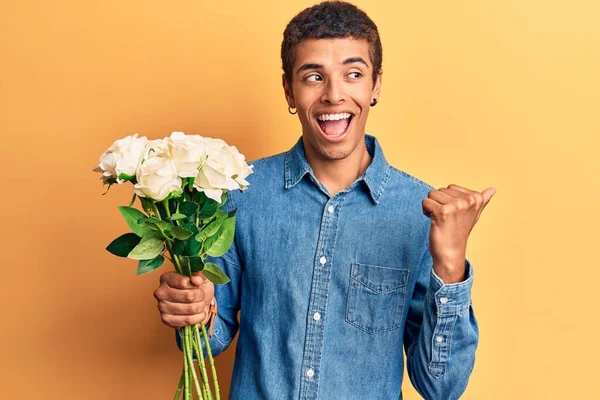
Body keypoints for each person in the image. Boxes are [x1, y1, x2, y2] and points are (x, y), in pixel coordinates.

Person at [153, 1, 495, 399]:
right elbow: (210, 339)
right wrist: (196, 311)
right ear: (289, 90)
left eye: (353, 74)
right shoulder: (239, 192)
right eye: (314, 76)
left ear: (375, 86)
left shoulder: (422, 213)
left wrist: (451, 264)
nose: (334, 95)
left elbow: (442, 387)